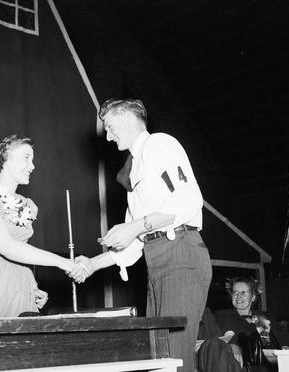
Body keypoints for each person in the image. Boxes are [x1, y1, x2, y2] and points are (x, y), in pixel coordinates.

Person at [73, 98, 212, 372]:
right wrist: (91, 264)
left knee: (176, 357)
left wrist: (134, 227)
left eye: (110, 127)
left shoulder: (159, 144)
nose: (109, 136)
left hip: (180, 254)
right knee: (159, 357)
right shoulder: (133, 169)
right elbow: (133, 245)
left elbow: (188, 201)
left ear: (126, 118)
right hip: (157, 260)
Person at [0, 134, 85, 317]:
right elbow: (6, 247)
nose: (33, 166)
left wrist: (33, 288)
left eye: (33, 160)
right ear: (5, 160)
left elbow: (22, 251)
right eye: (26, 158)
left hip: (20, 285)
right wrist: (62, 262)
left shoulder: (29, 205)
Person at [214, 277, 289, 351]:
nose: (238, 296)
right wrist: (231, 346)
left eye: (244, 292)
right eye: (235, 292)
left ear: (253, 297)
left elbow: (286, 339)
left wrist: (287, 347)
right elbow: (213, 342)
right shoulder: (222, 317)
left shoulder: (263, 318)